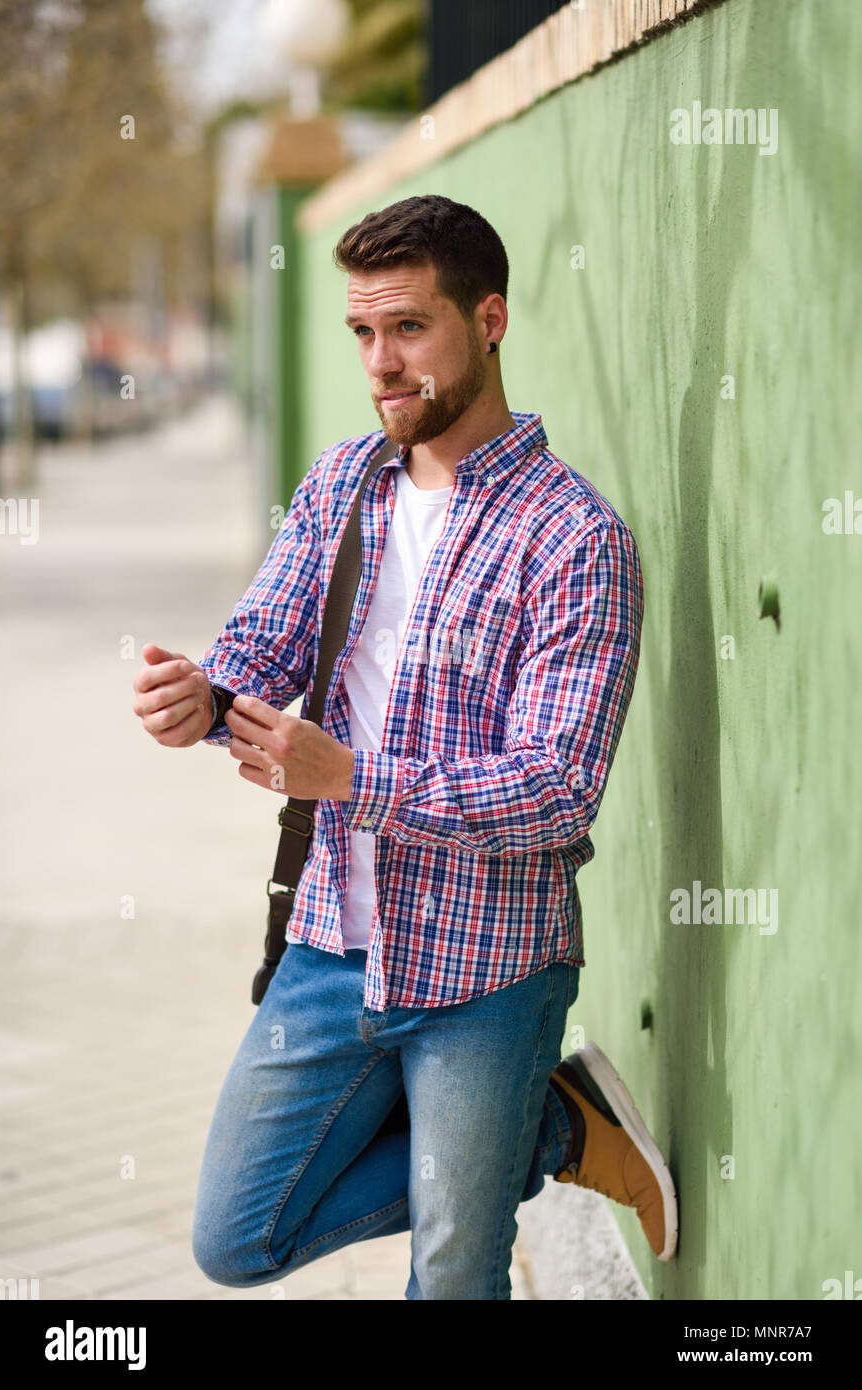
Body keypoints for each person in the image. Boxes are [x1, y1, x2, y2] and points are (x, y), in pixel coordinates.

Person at [133, 195, 677, 1299]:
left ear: (490, 320)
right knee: (236, 1238)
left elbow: (559, 789)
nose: (381, 362)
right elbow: (263, 642)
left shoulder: (577, 538)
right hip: (333, 941)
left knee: (452, 1267)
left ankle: (506, 1150)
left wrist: (352, 778)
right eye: (362, 334)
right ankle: (555, 1134)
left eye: (409, 328)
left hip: (491, 966)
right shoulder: (344, 485)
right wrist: (202, 692)